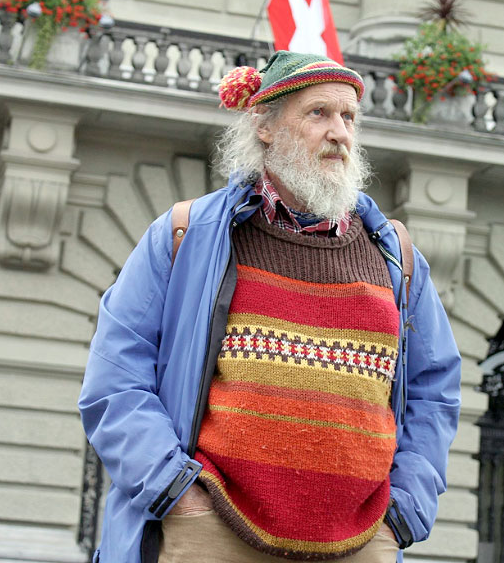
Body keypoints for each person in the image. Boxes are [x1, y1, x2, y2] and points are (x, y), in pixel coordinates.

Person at [79, 51, 462, 563]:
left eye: (348, 117)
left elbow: (435, 392)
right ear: (265, 125)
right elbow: (115, 377)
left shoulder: (397, 257)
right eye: (318, 113)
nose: (339, 133)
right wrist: (174, 492)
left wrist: (403, 512)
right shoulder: (187, 234)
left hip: (360, 542)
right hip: (211, 533)